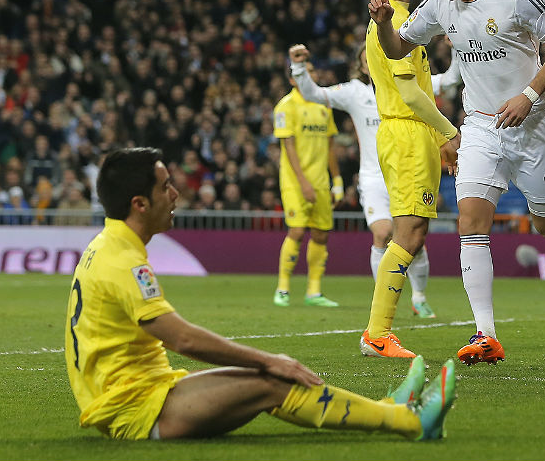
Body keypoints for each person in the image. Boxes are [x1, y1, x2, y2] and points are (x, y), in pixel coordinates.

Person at [65, 147, 456, 440]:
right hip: (136, 410)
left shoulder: (110, 246)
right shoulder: (123, 262)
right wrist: (271, 360)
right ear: (139, 203)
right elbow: (181, 337)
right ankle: (408, 422)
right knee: (273, 380)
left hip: (147, 394)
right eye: (164, 186)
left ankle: (388, 407)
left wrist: (266, 362)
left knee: (267, 376)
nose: (175, 194)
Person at [370, 0, 545, 365]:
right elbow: (399, 47)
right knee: (470, 222)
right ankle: (486, 334)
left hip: (534, 122)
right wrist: (385, 24)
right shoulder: (440, 2)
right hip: (480, 125)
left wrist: (529, 95)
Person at [351, 0, 462, 358]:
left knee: (413, 234)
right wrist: (450, 133)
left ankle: (377, 332)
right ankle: (377, 333)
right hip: (406, 132)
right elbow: (412, 95)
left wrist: (439, 141)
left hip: (413, 134)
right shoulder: (394, 23)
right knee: (409, 234)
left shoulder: (403, 19)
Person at [290, 42, 438, 318]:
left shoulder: (410, 83)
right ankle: (383, 301)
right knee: (383, 234)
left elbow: (450, 80)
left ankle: (419, 297)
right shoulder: (354, 93)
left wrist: (455, 48)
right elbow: (312, 93)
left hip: (407, 174)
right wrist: (298, 67)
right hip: (374, 178)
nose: (372, 63)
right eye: (367, 59)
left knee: (414, 241)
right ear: (361, 66)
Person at [272, 62, 343, 307]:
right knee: (298, 230)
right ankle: (282, 288)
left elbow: (331, 145)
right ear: (293, 80)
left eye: (313, 71)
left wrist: (337, 180)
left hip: (321, 182)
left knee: (321, 234)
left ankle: (314, 292)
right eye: (306, 72)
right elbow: (288, 146)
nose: (312, 74)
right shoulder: (285, 106)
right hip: (294, 182)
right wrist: (303, 183)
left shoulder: (323, 105)